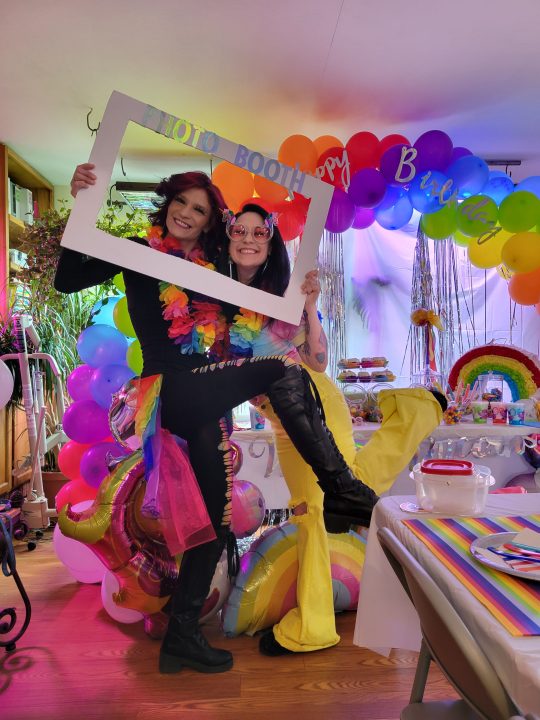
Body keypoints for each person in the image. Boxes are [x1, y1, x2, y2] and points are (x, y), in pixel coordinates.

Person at [55, 164, 379, 675]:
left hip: (203, 396)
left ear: (209, 224)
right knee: (279, 372)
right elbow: (68, 278)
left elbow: (260, 308)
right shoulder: (140, 252)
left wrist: (305, 300)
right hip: (170, 391)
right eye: (180, 203)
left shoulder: (211, 273)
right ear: (167, 207)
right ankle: (340, 487)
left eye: (199, 209)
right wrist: (81, 205)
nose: (186, 213)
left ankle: (180, 636)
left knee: (213, 516)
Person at [221, 202, 446, 656]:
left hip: (317, 400)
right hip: (279, 417)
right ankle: (418, 413)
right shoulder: (213, 297)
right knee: (346, 485)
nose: (248, 239)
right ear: (227, 238)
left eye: (258, 233)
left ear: (269, 242)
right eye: (239, 231)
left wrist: (309, 304)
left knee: (312, 508)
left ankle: (314, 625)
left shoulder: (282, 292)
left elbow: (319, 361)